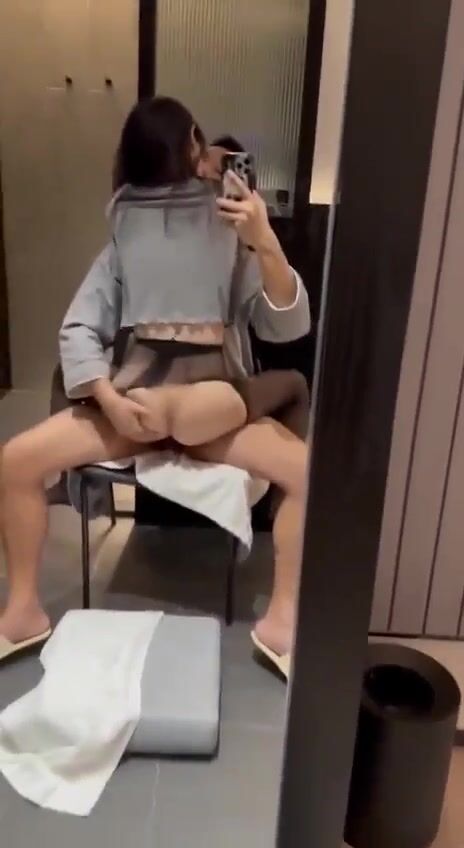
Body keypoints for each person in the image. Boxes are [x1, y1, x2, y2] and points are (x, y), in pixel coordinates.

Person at [0, 99, 311, 678]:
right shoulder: (125, 238)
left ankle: (284, 621)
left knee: (306, 472)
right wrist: (111, 402)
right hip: (144, 411)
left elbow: (286, 325)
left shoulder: (232, 232)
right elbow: (78, 328)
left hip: (192, 412)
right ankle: (21, 612)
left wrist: (264, 240)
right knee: (15, 462)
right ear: (192, 143)